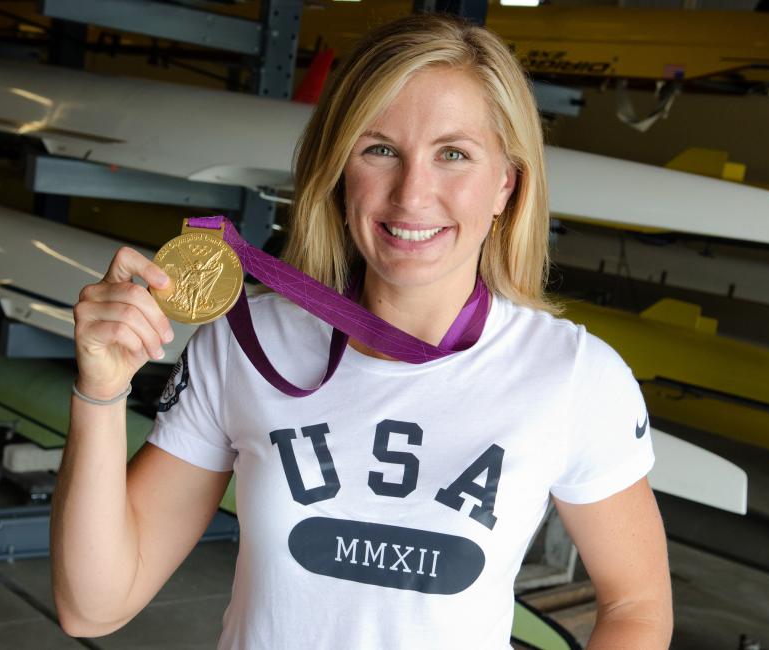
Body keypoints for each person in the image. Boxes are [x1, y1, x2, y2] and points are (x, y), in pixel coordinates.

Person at [51, 14, 672, 649]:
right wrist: (100, 391)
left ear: (505, 185)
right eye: (380, 149)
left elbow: (636, 605)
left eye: (453, 154)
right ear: (339, 169)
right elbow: (93, 608)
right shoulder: (245, 343)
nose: (412, 195)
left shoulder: (574, 376)